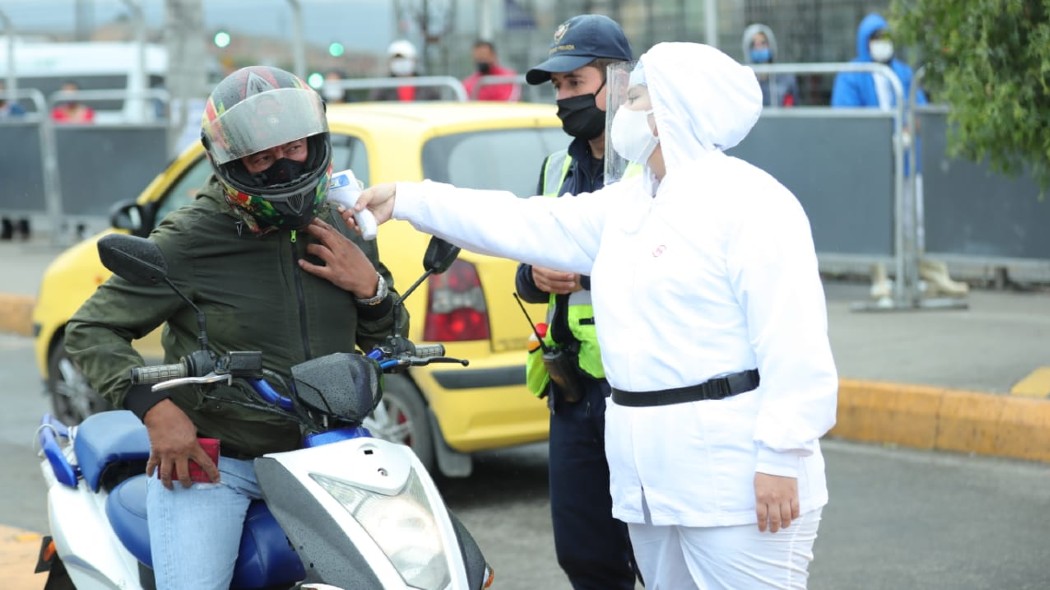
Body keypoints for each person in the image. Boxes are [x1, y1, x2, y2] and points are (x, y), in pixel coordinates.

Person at [347, 42, 838, 589]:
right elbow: (523, 222)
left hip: (736, 486)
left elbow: (795, 345)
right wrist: (409, 200)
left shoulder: (751, 203)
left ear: (673, 108)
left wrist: (781, 457)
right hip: (650, 488)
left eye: (637, 98)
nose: (623, 108)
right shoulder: (630, 203)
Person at [64, 65, 406, 589]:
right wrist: (156, 411)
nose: (281, 165)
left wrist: (371, 288)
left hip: (333, 455)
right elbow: (91, 329)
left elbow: (388, 339)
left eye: (292, 147)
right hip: (220, 465)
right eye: (261, 156)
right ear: (229, 162)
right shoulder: (193, 237)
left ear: (314, 141)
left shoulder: (338, 222)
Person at [513, 13, 638, 590]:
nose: (565, 99)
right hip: (572, 390)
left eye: (576, 83)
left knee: (656, 551)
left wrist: (586, 277)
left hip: (639, 389)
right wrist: (537, 274)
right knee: (584, 555)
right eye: (558, 88)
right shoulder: (555, 166)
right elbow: (526, 274)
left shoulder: (652, 166)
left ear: (617, 80)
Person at [832, 13, 967, 299]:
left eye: (886, 38)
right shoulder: (852, 74)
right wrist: (880, 136)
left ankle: (929, 274)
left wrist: (908, 129)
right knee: (875, 219)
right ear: (864, 42)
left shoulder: (903, 72)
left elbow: (920, 110)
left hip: (907, 161)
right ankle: (880, 278)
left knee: (914, 221)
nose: (882, 44)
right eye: (876, 39)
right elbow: (846, 117)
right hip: (870, 166)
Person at [741, 23, 798, 107]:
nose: (759, 48)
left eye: (763, 43)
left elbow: (792, 108)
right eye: (754, 44)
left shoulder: (786, 79)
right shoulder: (743, 80)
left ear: (771, 45)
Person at [1, 80, 30, 241]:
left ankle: (24, 226)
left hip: (17, 159)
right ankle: (7, 228)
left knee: (21, 192)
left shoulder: (16, 109)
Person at [368, 39, 442, 102]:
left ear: (414, 60)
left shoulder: (427, 88)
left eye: (403, 59)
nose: (400, 63)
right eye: (396, 59)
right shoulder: (383, 89)